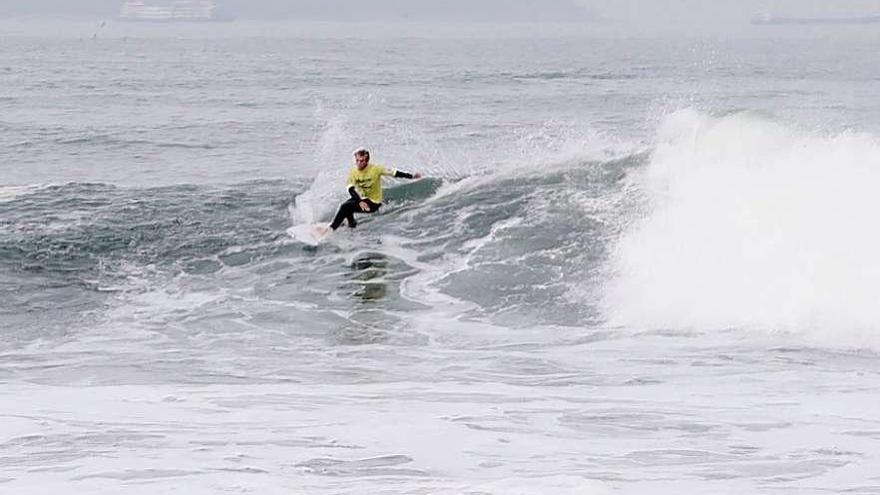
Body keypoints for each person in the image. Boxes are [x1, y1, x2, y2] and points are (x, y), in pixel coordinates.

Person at [323, 148, 422, 232]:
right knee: (347, 205)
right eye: (357, 160)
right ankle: (352, 224)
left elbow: (394, 173)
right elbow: (351, 189)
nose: (358, 163)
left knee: (345, 207)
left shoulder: (376, 169)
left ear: (367, 161)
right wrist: (360, 201)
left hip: (373, 203)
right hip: (362, 199)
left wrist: (412, 176)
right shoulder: (353, 172)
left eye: (361, 161)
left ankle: (331, 230)